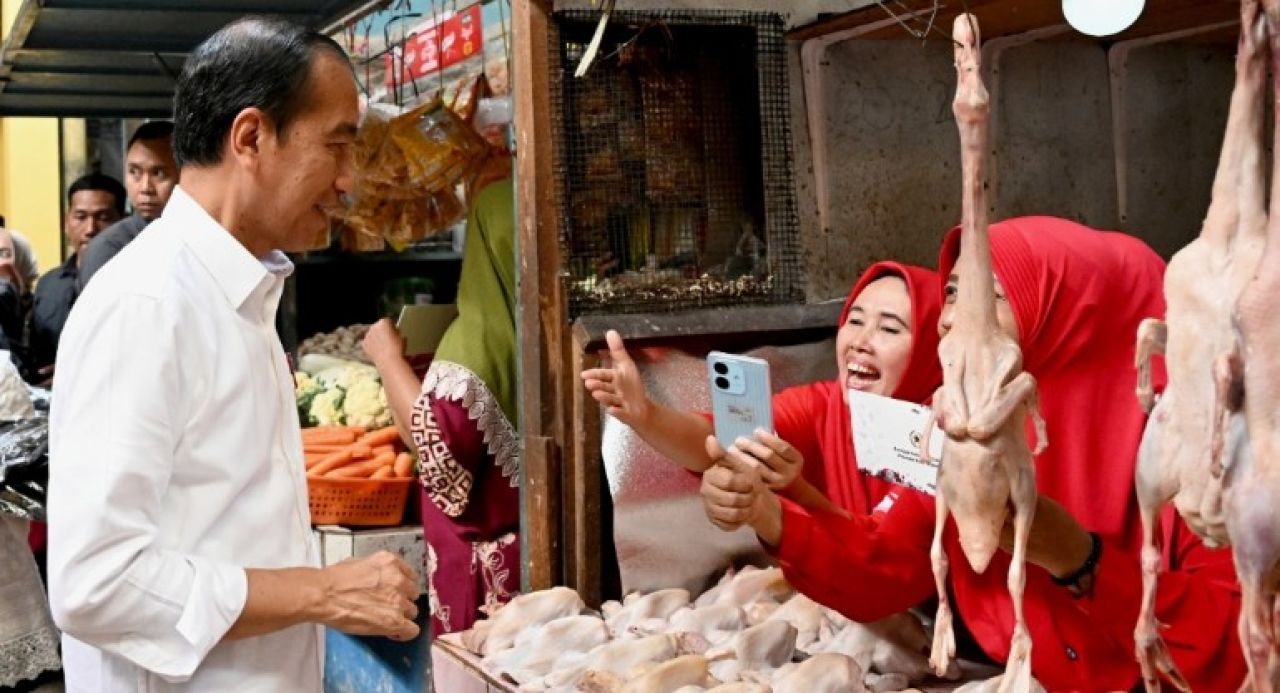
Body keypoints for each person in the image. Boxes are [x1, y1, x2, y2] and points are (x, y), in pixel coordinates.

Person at [702, 216, 1244, 691]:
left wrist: (1078, 559)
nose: (949, 319)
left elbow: (1236, 649)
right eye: (954, 292)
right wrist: (767, 513)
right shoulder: (964, 426)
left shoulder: (1203, 444)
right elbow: (886, 560)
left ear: (1069, 321)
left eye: (992, 296)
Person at [48, 17, 419, 691]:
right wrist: (320, 591)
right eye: (338, 146)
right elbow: (95, 581)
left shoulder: (241, 294)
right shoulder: (148, 305)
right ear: (250, 138)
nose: (348, 181)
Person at [580, 260, 943, 537]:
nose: (861, 341)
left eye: (889, 329)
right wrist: (645, 415)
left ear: (934, 346)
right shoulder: (823, 406)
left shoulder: (940, 435)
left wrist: (785, 497)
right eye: (856, 320)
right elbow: (722, 438)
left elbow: (887, 555)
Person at [363, 171, 518, 637]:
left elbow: (439, 459)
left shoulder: (475, 341)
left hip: (484, 589)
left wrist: (388, 359)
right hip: (540, 563)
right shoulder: (566, 334)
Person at [27, 172, 125, 382]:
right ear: (66, 222)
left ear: (123, 222)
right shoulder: (48, 285)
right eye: (80, 217)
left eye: (103, 218)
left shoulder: (134, 283)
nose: (90, 229)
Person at [77, 120, 179, 290]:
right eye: (134, 172)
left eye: (158, 173)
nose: (145, 188)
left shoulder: (202, 236)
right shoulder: (109, 249)